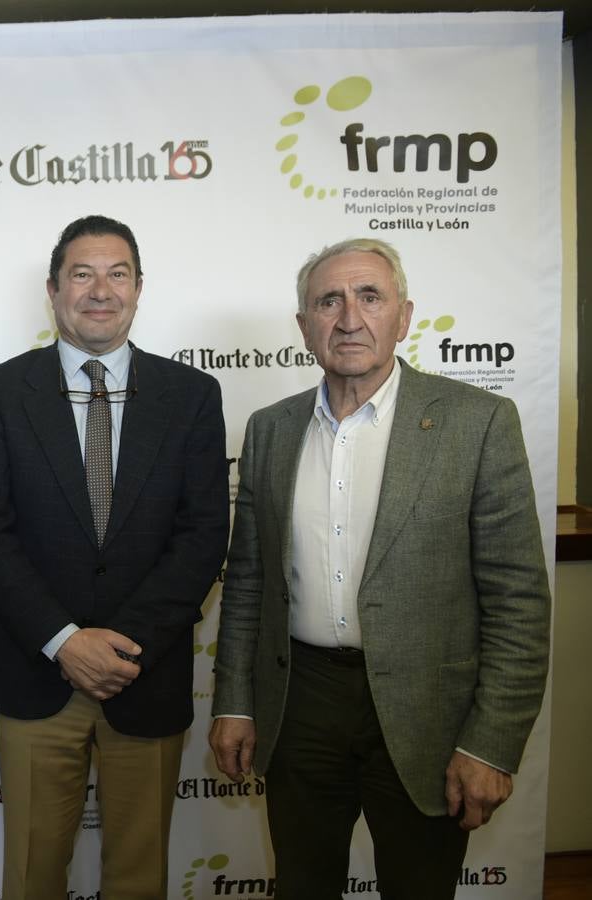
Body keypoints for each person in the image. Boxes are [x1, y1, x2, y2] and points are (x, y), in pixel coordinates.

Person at [209, 237, 550, 900]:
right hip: (301, 701)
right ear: (305, 325)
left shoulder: (477, 423)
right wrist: (234, 702)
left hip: (430, 711)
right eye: (327, 301)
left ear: (405, 315)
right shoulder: (269, 430)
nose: (348, 317)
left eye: (370, 296)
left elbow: (519, 603)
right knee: (302, 886)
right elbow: (248, 582)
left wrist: (490, 746)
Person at [0, 215, 229, 900]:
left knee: (140, 877)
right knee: (31, 874)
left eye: (117, 273)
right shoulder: (1, 393)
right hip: (34, 673)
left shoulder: (192, 396)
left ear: (139, 289)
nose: (99, 290)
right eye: (82, 274)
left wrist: (120, 646)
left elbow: (203, 537)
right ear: (54, 291)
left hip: (146, 673)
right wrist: (64, 641)